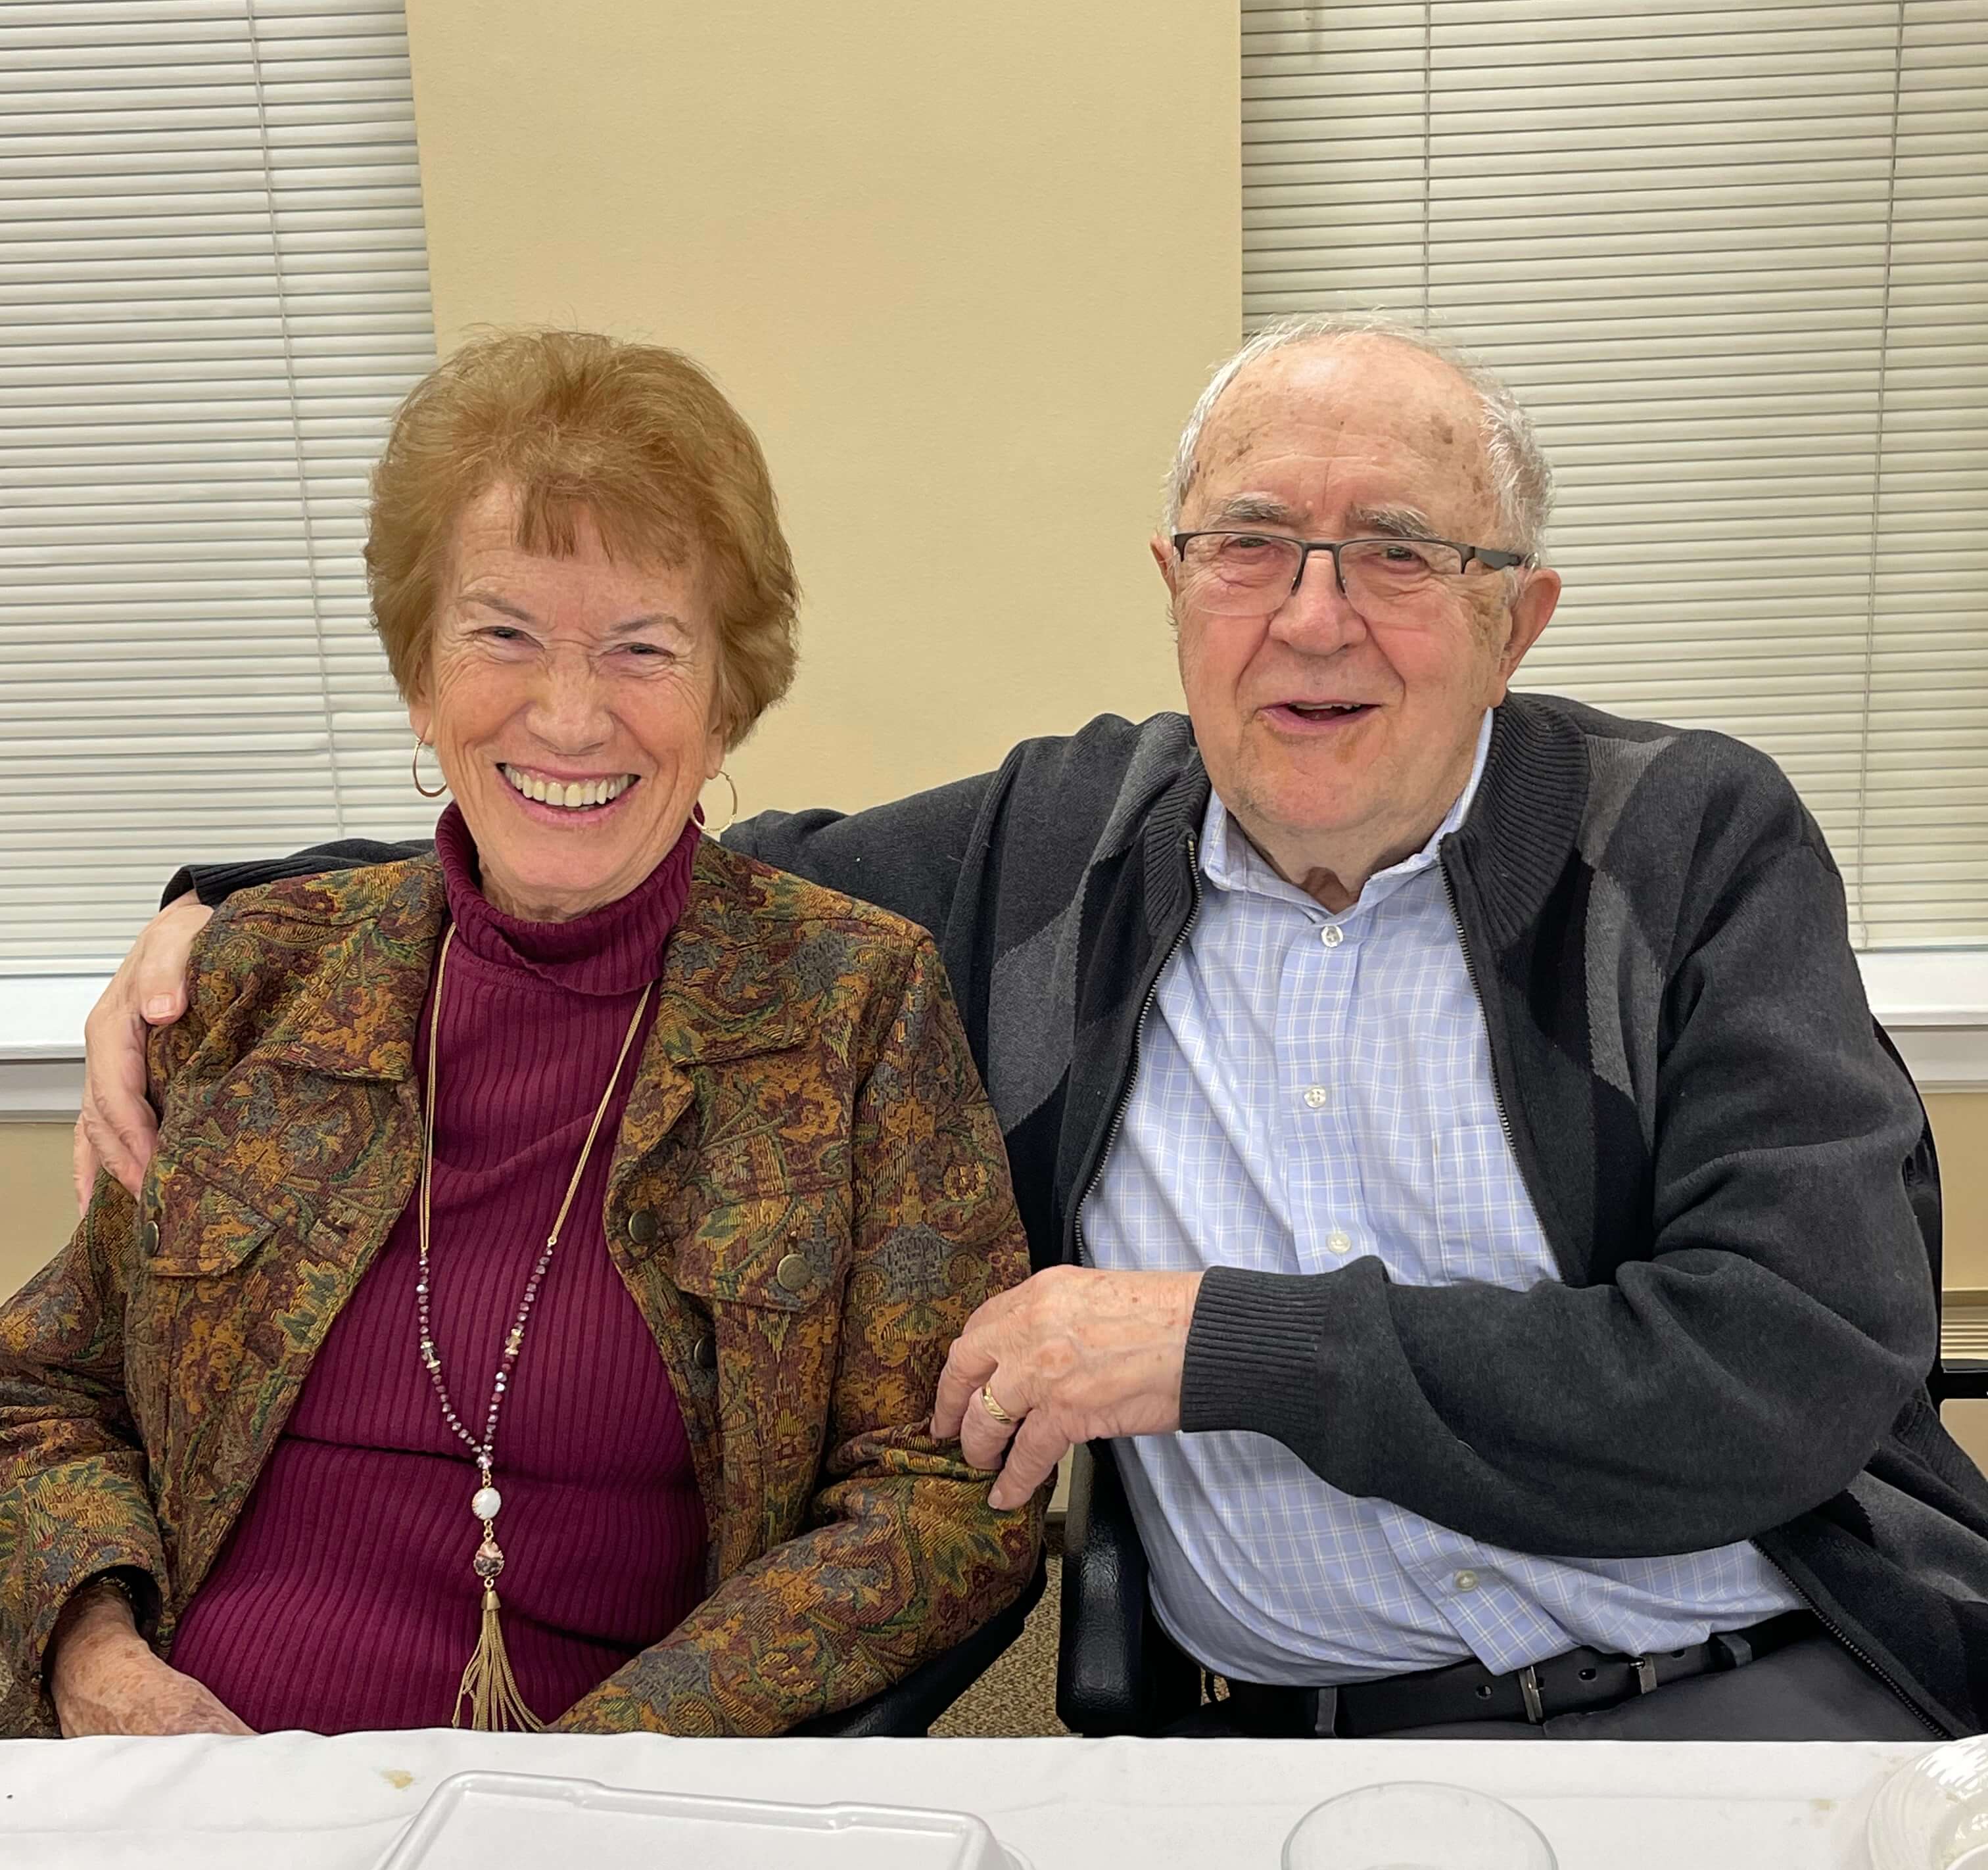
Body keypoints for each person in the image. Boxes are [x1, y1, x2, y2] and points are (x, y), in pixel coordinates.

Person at [75, 316, 1988, 1741]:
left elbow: (1793, 1360)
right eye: (1251, 544)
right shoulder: (1051, 857)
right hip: (1296, 1746)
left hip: (1763, 1686)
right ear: (1173, 588)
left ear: (1523, 618)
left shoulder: (1689, 843)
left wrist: (1234, 1343)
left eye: (1402, 553)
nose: (1315, 618)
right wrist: (227, 909)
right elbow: (610, 821)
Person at [1, 329, 1038, 1741]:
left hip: (599, 1814)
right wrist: (94, 1659)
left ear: (726, 698)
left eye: (642, 649)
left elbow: (943, 1500)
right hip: (176, 1778)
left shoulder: (849, 1009)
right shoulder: (253, 984)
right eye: (502, 634)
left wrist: (603, 1767)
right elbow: (42, 1389)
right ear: (420, 680)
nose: (566, 712)